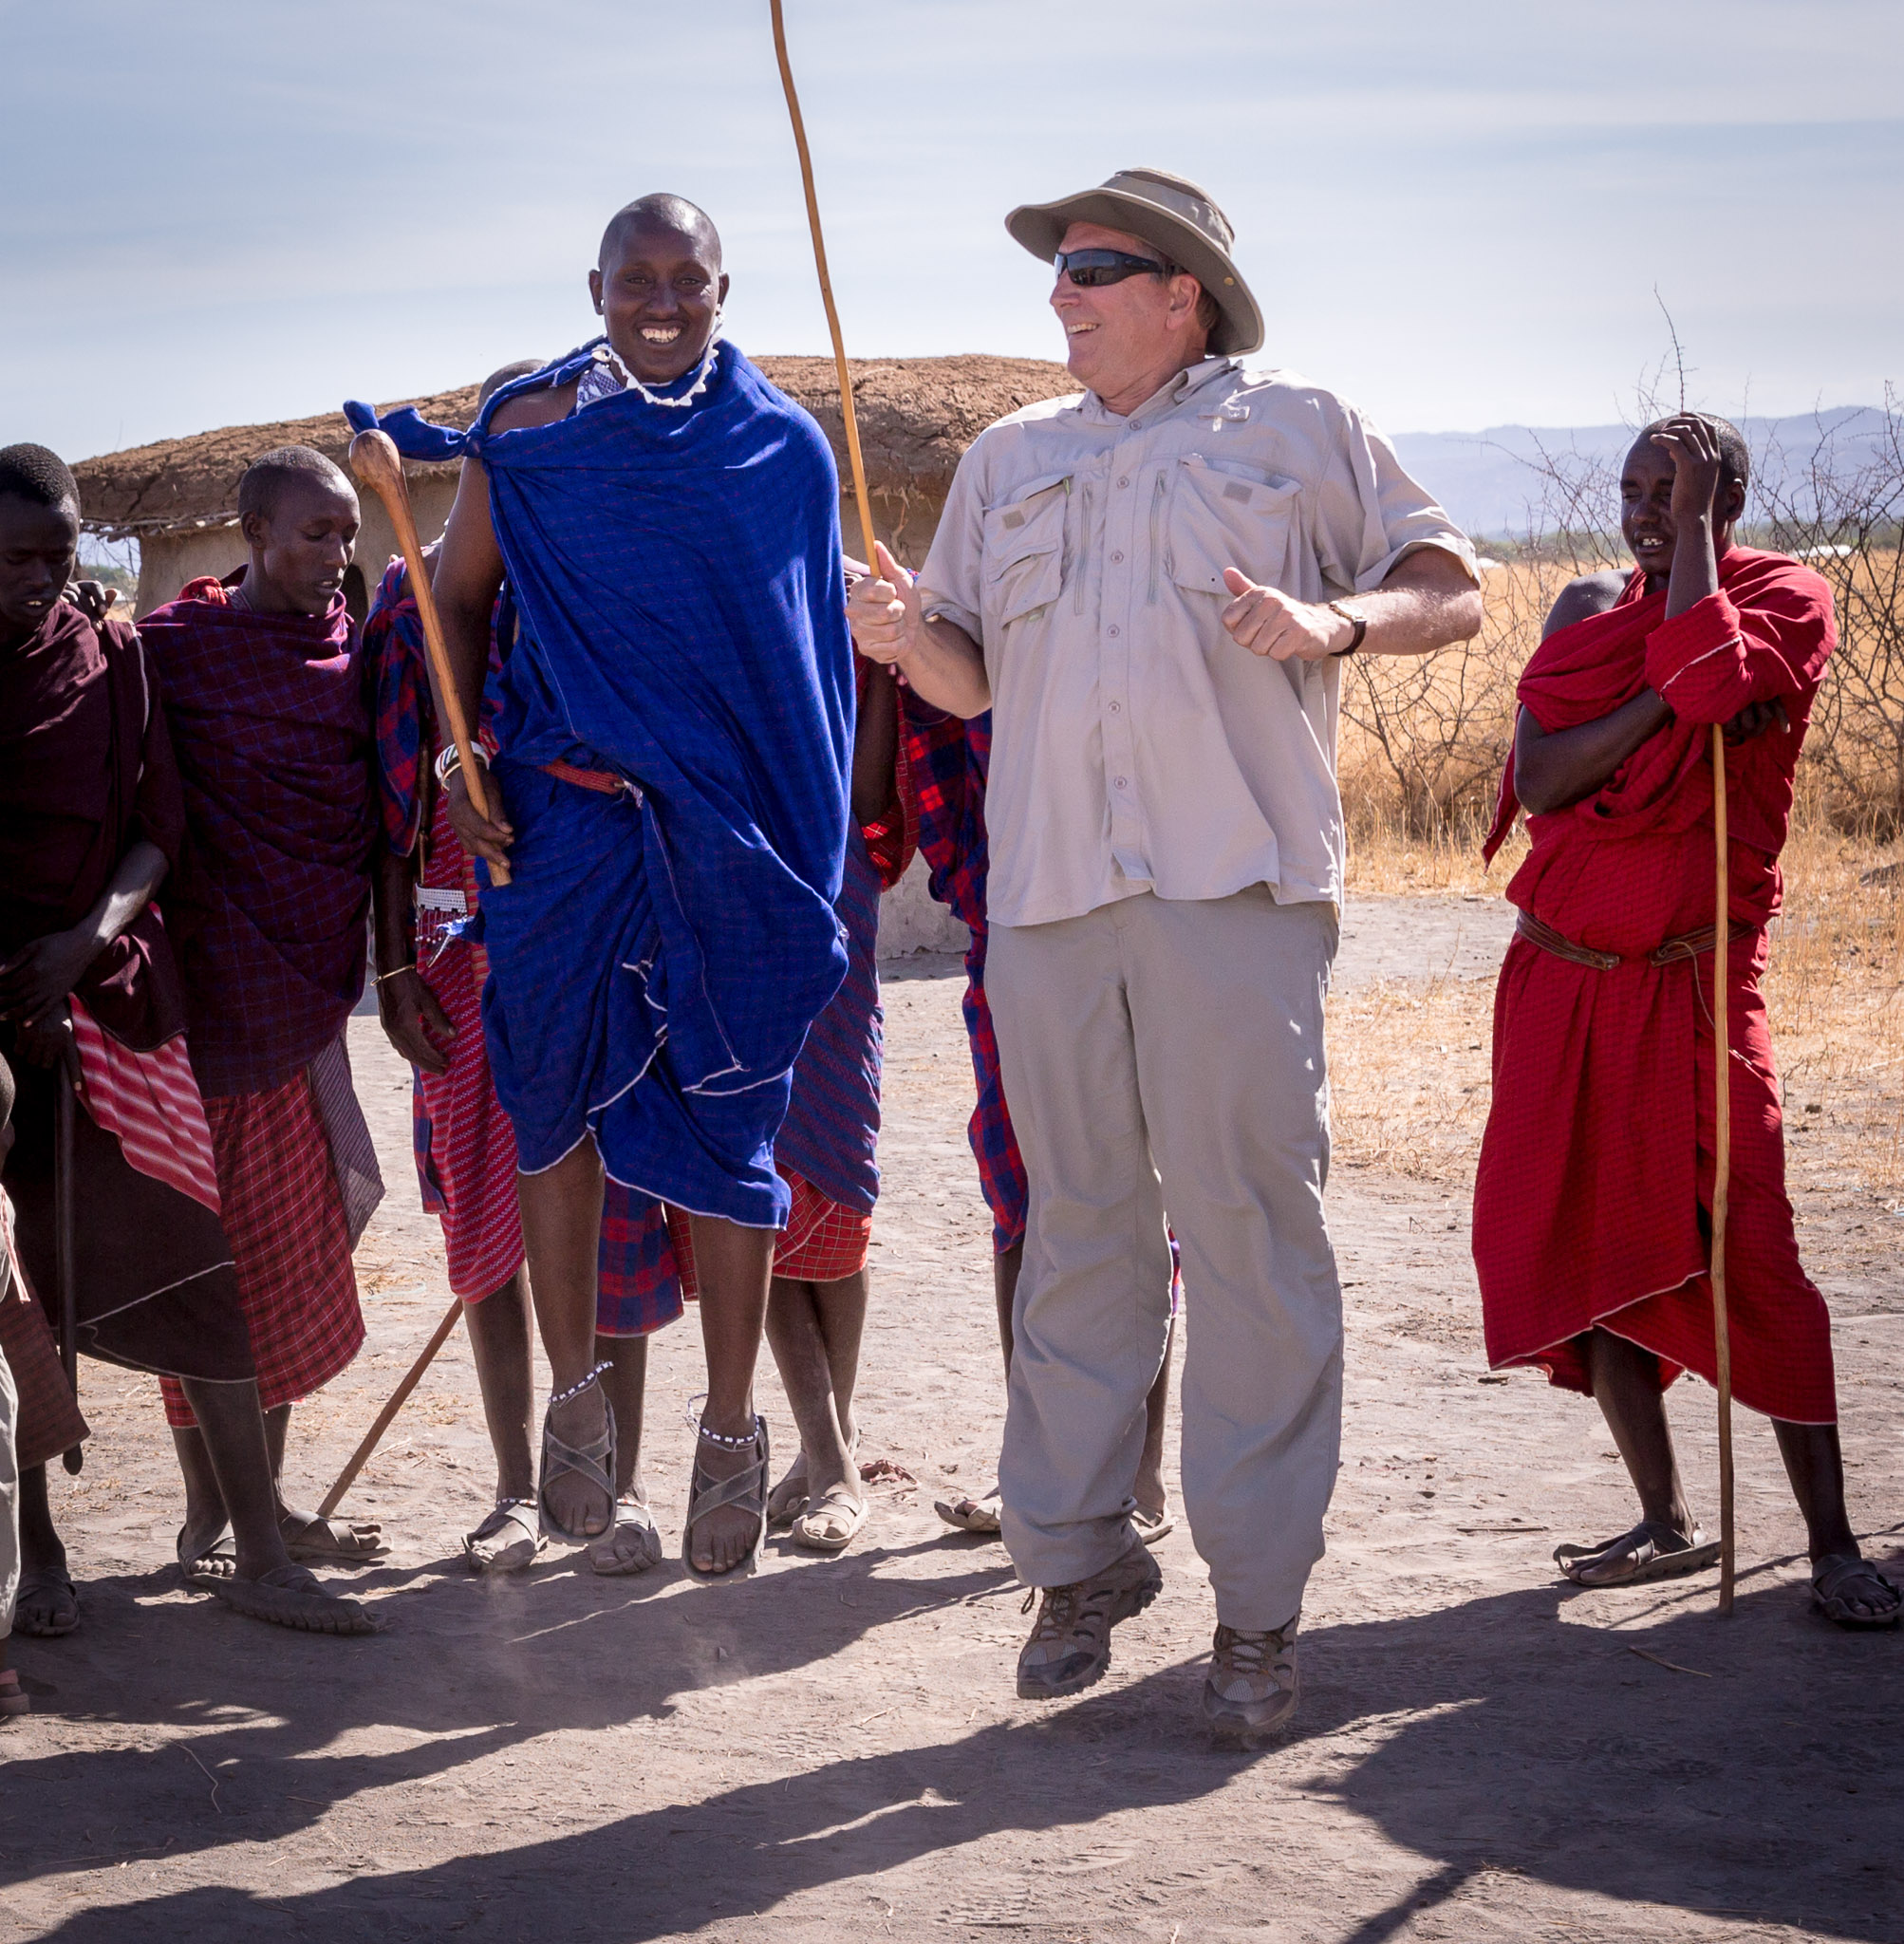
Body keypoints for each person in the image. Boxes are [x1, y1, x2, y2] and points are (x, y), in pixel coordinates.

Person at [850, 169, 1482, 1738]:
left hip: (1232, 895)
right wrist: (898, 634)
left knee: (1252, 1233)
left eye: (1091, 270)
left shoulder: (1296, 427)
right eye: (1056, 272)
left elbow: (1449, 587)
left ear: (1181, 288)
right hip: (1049, 902)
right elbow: (970, 682)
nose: (1059, 297)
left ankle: (1257, 1610)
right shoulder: (1009, 461)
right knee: (1075, 1225)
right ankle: (1075, 1561)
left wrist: (1333, 624)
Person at [362, 193, 855, 1580]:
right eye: (633, 277)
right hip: (562, 825)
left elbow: (804, 669)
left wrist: (803, 846)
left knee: (730, 1108)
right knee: (547, 1097)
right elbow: (456, 600)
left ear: (720, 288)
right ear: (594, 287)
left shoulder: (782, 450)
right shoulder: (525, 433)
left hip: (727, 835)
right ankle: (574, 1413)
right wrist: (464, 750)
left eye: (683, 278)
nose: (658, 300)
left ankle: (731, 1428)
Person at [1473, 412, 1899, 1629]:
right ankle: (1663, 1516)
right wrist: (1661, 704)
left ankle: (1829, 1544)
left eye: (1679, 488)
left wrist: (1685, 651)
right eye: (1634, 486)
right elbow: (1548, 775)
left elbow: (1716, 676)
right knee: (1576, 1236)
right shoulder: (1581, 607)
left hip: (1697, 978)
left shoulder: (1787, 595)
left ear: (1726, 498)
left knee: (1751, 1241)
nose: (1646, 509)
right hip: (1559, 977)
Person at [0, 444, 371, 1635]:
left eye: (62, 559)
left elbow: (154, 829)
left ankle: (256, 1547)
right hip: (12, 1021)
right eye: (19, 561)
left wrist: (81, 947)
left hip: (107, 1004)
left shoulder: (110, 654)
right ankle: (40, 1555)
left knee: (196, 1259)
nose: (45, 582)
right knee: (17, 1299)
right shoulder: (141, 643)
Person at [140, 445, 390, 1579]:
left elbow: (373, 816)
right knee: (216, 1272)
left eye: (347, 535)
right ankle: (218, 1518)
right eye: (312, 535)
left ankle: (261, 1509)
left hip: (306, 1005)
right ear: (250, 531)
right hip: (213, 1009)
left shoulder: (352, 653)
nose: (336, 558)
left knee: (288, 1267)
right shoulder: (178, 656)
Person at [901, 696, 1177, 1542]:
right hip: (1017, 924)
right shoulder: (973, 633)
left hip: (1156, 913)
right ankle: (1038, 1472)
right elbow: (945, 784)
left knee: (1139, 1199)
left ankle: (1139, 1478)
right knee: (1022, 1203)